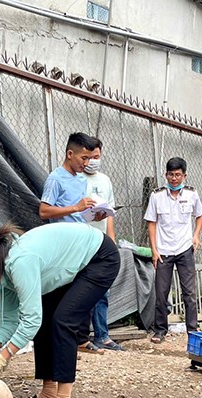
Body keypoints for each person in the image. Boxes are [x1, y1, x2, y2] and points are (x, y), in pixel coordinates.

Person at [0, 222, 120, 398]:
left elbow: (30, 320)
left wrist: (0, 360)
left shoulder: (20, 263)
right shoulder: (2, 276)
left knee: (63, 321)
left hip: (99, 258)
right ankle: (48, 393)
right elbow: (8, 323)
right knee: (44, 320)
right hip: (75, 260)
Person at [39, 132, 109, 354]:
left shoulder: (80, 180)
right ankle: (61, 339)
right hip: (61, 244)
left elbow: (78, 212)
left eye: (90, 159)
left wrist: (93, 214)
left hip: (80, 241)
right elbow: (43, 211)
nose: (86, 164)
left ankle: (80, 338)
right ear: (70, 154)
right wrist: (76, 208)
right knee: (61, 291)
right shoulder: (55, 179)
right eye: (84, 158)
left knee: (82, 289)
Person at [144, 157, 202, 344]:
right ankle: (160, 330)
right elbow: (151, 223)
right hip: (163, 251)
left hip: (185, 249)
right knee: (161, 292)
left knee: (189, 293)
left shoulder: (192, 194)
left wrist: (196, 236)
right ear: (166, 175)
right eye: (171, 174)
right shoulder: (157, 196)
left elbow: (201, 215)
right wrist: (154, 250)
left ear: (184, 176)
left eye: (178, 175)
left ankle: (192, 331)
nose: (174, 178)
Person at [83, 139, 123, 351]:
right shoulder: (75, 178)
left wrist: (111, 238)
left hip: (100, 241)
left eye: (96, 157)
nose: (92, 162)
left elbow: (110, 214)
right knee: (78, 288)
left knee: (102, 290)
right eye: (88, 157)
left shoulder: (105, 180)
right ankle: (79, 337)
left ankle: (102, 335)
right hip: (80, 241)